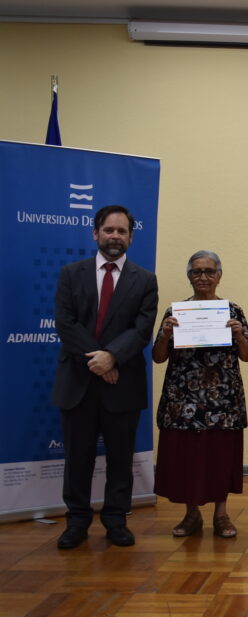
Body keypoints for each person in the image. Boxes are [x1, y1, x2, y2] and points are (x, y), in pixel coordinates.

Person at [52, 204, 158, 550]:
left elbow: (142, 329)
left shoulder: (145, 280)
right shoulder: (71, 273)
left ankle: (116, 520)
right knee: (77, 458)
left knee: (120, 458)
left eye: (122, 231)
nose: (115, 236)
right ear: (95, 233)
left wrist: (112, 356)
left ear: (131, 237)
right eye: (109, 230)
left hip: (123, 384)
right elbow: (65, 323)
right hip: (78, 382)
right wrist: (101, 359)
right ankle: (77, 522)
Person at [152, 251, 248, 538]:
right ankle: (191, 515)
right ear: (189, 276)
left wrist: (239, 335)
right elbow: (158, 357)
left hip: (223, 401)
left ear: (219, 275)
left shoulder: (233, 311)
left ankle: (222, 516)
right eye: (197, 272)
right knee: (188, 459)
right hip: (184, 399)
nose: (203, 277)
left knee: (221, 457)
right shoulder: (176, 312)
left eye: (209, 271)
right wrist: (166, 335)